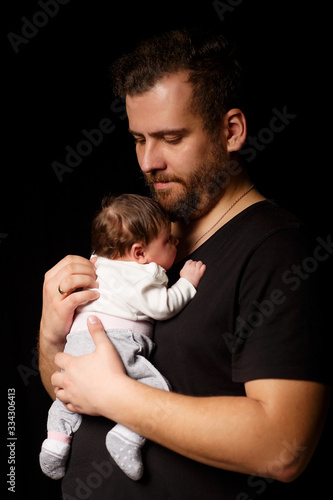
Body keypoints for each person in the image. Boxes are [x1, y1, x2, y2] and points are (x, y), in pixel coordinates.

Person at [39, 28, 330, 499]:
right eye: (138, 139)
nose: (149, 161)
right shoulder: (144, 239)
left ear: (230, 131)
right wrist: (52, 333)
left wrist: (119, 395)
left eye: (171, 138)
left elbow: (284, 446)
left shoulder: (278, 251)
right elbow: (76, 392)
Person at [39, 193, 206, 481]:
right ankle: (127, 436)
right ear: (139, 253)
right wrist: (187, 284)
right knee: (155, 389)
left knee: (64, 395)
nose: (176, 242)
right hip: (116, 341)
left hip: (77, 341)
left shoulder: (98, 262)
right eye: (168, 240)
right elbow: (162, 306)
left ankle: (54, 444)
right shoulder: (142, 274)